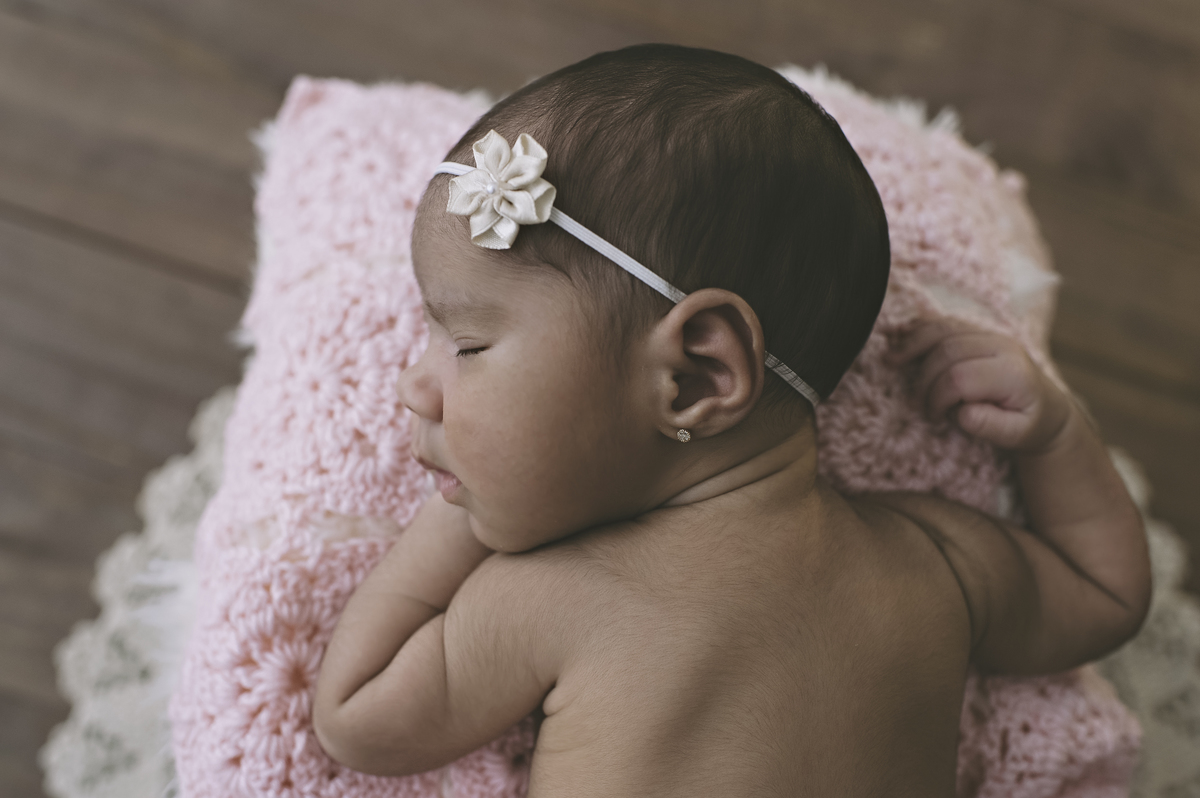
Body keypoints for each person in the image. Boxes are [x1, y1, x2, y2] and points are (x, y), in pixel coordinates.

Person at [311, 44, 1150, 796]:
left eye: (467, 344)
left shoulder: (548, 597)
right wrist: (1057, 437)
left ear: (696, 374)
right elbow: (1104, 591)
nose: (412, 385)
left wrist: (462, 508)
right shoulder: (930, 559)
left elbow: (355, 717)